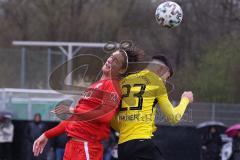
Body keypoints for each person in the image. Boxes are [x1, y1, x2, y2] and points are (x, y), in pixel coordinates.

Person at [32, 48, 144, 160]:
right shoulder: (95, 86)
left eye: (116, 61)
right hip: (72, 146)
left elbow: (105, 116)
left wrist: (72, 110)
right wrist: (46, 135)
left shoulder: (112, 85)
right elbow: (75, 119)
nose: (110, 59)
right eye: (111, 56)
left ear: (122, 70)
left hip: (86, 147)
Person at [111, 55, 194, 160]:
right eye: (166, 77)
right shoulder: (156, 82)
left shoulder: (125, 81)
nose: (164, 81)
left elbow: (111, 118)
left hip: (123, 147)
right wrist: (185, 99)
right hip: (141, 144)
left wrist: (127, 128)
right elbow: (174, 117)